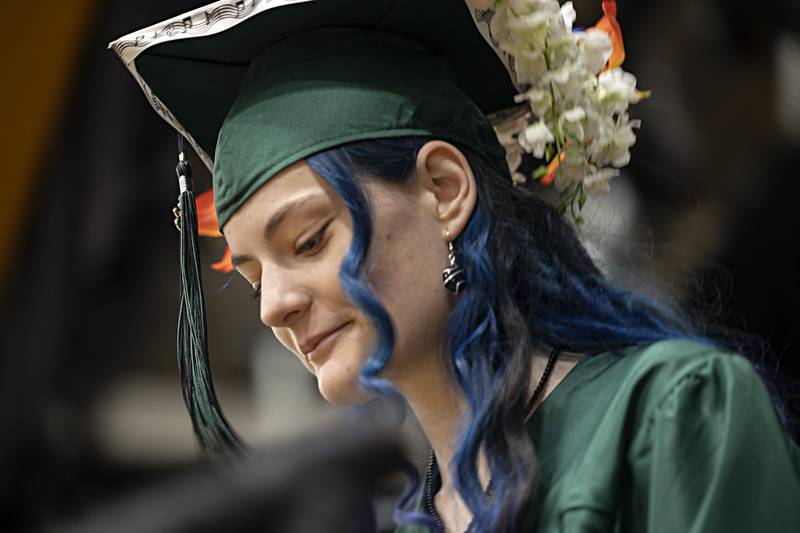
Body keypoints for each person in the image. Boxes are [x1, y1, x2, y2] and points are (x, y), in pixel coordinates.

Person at [109, 0, 800, 531]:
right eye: (255, 275)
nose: (273, 307)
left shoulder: (667, 417)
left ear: (444, 189)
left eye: (310, 240)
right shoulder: (415, 516)